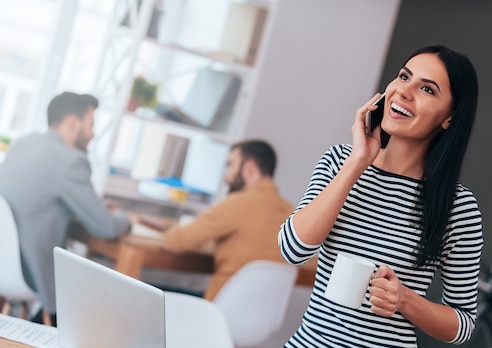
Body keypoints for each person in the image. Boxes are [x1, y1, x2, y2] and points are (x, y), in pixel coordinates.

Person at [214, 45, 483, 348]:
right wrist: (358, 161)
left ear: (449, 118)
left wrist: (404, 300)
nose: (403, 91)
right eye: (404, 77)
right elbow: (293, 249)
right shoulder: (340, 161)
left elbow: (463, 324)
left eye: (427, 89)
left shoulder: (458, 208)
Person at [0, 91, 131, 321]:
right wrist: (123, 217)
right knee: (104, 286)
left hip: (5, 268)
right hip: (32, 274)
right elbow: (107, 227)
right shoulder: (70, 161)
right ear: (73, 122)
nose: (93, 134)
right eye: (91, 124)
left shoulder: (23, 144)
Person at [162, 139, 294, 300]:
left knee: (157, 292)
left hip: (219, 309)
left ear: (249, 169)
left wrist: (169, 231)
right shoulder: (290, 211)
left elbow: (177, 242)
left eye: (231, 165)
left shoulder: (240, 203)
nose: (227, 175)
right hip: (259, 318)